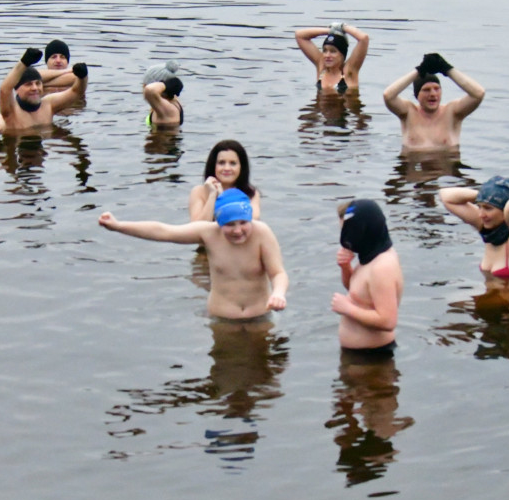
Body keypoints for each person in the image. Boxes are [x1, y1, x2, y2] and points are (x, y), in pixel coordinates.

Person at [98, 188, 288, 320]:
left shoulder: (262, 233)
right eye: (230, 224)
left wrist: (278, 293)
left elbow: (278, 273)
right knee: (223, 374)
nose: (237, 230)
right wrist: (118, 226)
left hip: (260, 317)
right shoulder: (208, 233)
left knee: (263, 375)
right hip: (222, 319)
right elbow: (164, 231)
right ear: (220, 223)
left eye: (242, 223)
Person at [331, 199, 403, 355]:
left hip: (373, 360)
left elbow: (388, 320)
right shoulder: (370, 255)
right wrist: (345, 267)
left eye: (348, 231)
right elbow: (358, 291)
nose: (346, 239)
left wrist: (347, 309)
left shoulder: (382, 267)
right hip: (358, 357)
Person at [439, 176, 509, 278]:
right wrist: (485, 196)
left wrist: (507, 197)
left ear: (504, 208)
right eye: (479, 207)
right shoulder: (487, 227)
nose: (481, 214)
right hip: (491, 292)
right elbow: (445, 196)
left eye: (488, 208)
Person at [382, 52, 485, 149]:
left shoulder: (452, 113)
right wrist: (419, 70)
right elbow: (388, 95)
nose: (433, 94)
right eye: (426, 90)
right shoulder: (408, 112)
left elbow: (478, 94)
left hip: (446, 165)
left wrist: (447, 69)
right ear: (417, 95)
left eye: (437, 89)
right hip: (413, 163)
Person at [0, 47, 88, 133]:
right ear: (17, 89)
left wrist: (83, 77)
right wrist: (24, 62)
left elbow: (76, 92)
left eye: (38, 83)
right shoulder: (11, 111)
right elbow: (5, 89)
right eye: (28, 84)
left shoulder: (48, 105)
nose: (34, 88)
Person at [189, 139, 261, 221]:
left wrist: (222, 197)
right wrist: (212, 196)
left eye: (233, 163)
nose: (227, 168)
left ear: (241, 167)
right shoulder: (198, 192)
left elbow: (250, 222)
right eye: (221, 163)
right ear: (213, 165)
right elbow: (197, 228)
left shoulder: (250, 193)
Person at [295, 22, 369, 93]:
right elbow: (299, 35)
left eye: (333, 51)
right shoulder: (322, 67)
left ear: (342, 54)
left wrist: (343, 27)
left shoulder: (349, 71)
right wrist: (331, 31)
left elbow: (364, 38)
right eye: (325, 51)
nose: (327, 55)